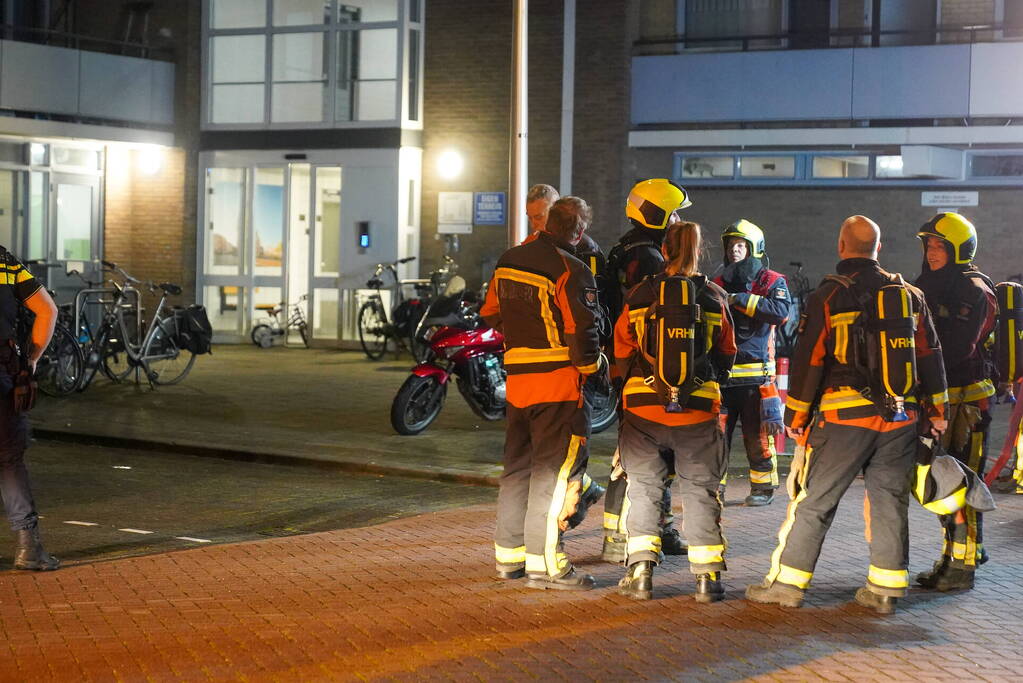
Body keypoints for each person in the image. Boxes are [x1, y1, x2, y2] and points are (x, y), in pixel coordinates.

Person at [746, 216, 947, 615]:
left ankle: (787, 586)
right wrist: (938, 412)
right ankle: (886, 589)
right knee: (890, 501)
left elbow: (810, 360)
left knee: (816, 500)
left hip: (843, 418)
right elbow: (930, 356)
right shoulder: (909, 295)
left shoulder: (829, 296)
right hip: (900, 417)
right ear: (879, 249)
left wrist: (796, 417)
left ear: (841, 246)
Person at [482, 196, 602, 590]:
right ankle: (547, 565)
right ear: (578, 232)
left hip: (518, 384)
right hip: (558, 386)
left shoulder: (508, 260)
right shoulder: (571, 269)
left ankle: (509, 557)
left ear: (547, 222)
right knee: (554, 475)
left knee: (517, 470)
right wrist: (595, 368)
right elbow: (582, 332)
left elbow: (491, 312)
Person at [614, 220, 736, 601]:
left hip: (643, 409)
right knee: (700, 491)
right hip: (697, 412)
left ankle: (640, 574)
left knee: (644, 489)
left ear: (664, 250)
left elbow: (621, 348)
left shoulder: (640, 294)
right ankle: (707, 579)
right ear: (698, 251)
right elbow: (727, 351)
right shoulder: (715, 296)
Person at [601, 178, 692, 563]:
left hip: (630, 367)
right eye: (673, 214)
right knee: (641, 457)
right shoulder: (649, 259)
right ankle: (624, 537)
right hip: (644, 370)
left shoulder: (627, 248)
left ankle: (650, 529)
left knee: (641, 455)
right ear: (657, 214)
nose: (677, 221)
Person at [914, 212, 997, 591]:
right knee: (944, 482)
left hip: (967, 403)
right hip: (940, 401)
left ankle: (962, 566)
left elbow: (958, 349)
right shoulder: (927, 285)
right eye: (929, 245)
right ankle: (958, 554)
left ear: (960, 249)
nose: (932, 253)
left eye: (940, 246)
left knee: (962, 482)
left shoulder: (974, 290)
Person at [522, 184, 606, 527]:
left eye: (541, 216)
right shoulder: (527, 250)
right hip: (538, 369)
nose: (536, 224)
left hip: (567, 367)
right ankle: (578, 492)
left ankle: (564, 513)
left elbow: (590, 314)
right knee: (545, 450)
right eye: (531, 218)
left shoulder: (585, 254)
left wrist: (592, 362)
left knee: (569, 442)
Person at [713, 220, 790, 506]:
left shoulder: (771, 282)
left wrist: (740, 299)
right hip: (722, 379)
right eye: (731, 245)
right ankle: (714, 490)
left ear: (754, 248)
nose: (734, 250)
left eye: (740, 245)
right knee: (716, 439)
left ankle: (763, 488)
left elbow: (780, 312)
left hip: (756, 380)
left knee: (758, 438)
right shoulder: (717, 283)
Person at [0, 246, 59, 570]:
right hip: (2, 372)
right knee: (8, 460)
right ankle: (28, 548)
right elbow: (47, 310)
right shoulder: (4, 261)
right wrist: (32, 359)